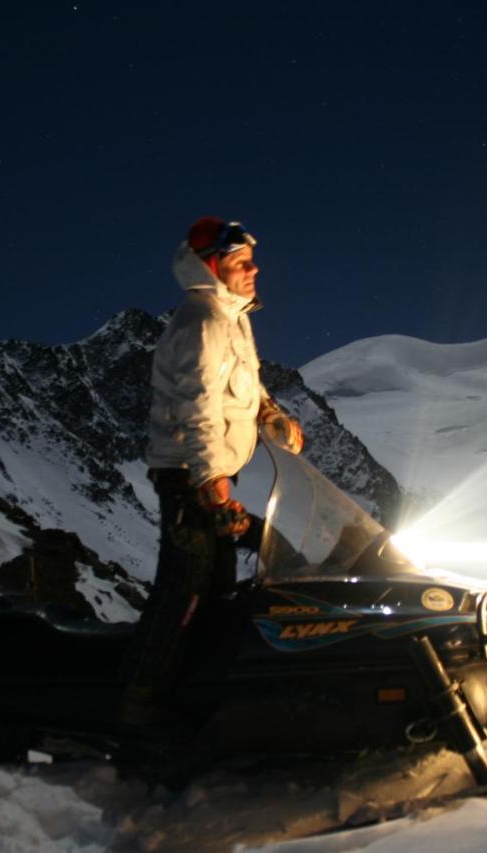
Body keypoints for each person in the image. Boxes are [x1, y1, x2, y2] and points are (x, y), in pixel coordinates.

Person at [119, 217, 303, 724]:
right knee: (186, 589)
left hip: (210, 473)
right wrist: (210, 484)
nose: (254, 268)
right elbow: (194, 407)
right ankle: (140, 705)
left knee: (216, 587)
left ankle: (192, 692)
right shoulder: (202, 322)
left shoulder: (232, 318)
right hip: (190, 475)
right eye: (242, 262)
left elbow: (244, 383)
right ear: (214, 267)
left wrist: (269, 413)